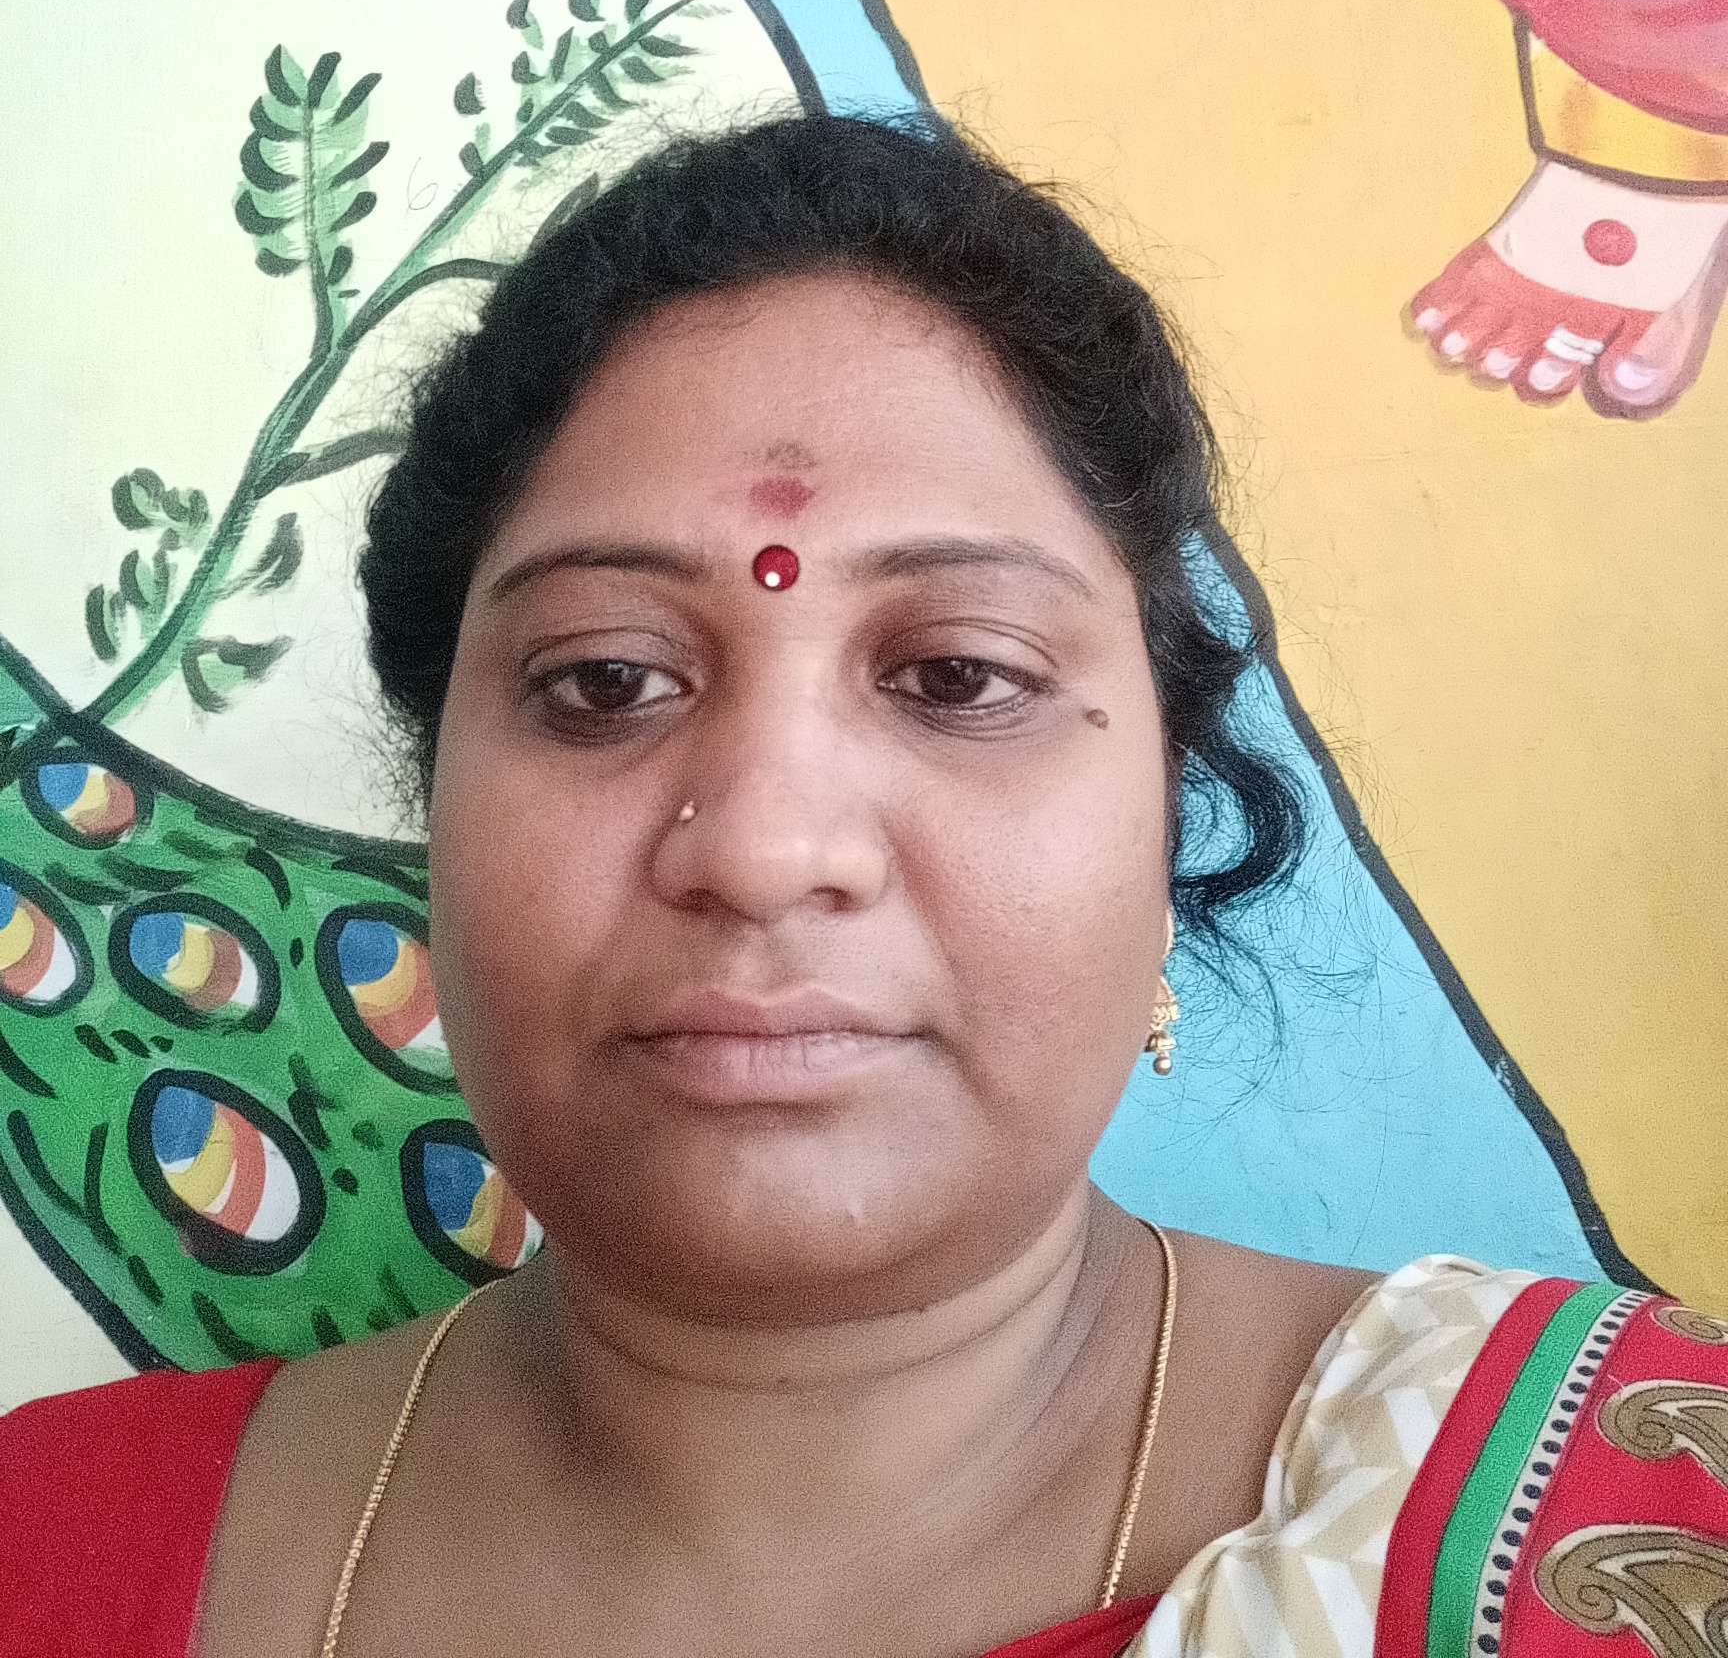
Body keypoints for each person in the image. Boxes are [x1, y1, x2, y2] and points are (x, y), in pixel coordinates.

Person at [3, 112, 1725, 1658]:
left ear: (1168, 820)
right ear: (433, 813)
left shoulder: (1631, 1517)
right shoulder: (45, 1553)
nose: (764, 849)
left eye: (959, 677)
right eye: (605, 679)